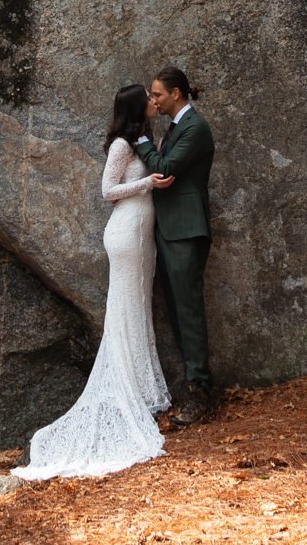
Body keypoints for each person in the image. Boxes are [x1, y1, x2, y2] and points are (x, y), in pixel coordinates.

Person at [14, 84, 173, 480]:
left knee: (137, 306)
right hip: (125, 231)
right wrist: (146, 184)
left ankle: (141, 388)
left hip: (142, 230)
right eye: (149, 99)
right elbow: (107, 191)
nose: (155, 103)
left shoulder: (142, 139)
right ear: (136, 107)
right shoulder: (122, 143)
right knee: (125, 307)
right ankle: (126, 392)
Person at [143, 65, 216, 423]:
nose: (153, 100)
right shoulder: (175, 128)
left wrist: (141, 141)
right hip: (170, 230)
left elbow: (167, 169)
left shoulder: (195, 128)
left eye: (157, 94)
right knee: (176, 311)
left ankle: (201, 395)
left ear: (175, 94)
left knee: (188, 311)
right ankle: (193, 390)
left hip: (187, 230)